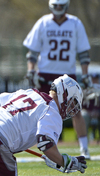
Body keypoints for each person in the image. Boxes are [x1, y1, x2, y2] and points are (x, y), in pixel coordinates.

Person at [23, 0, 92, 159]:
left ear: (66, 6)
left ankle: (84, 148)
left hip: (67, 75)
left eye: (62, 6)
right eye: (57, 6)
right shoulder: (43, 22)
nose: (59, 9)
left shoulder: (75, 23)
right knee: (40, 110)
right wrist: (31, 70)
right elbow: (32, 52)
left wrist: (86, 74)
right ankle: (36, 145)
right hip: (45, 73)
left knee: (76, 111)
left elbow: (83, 53)